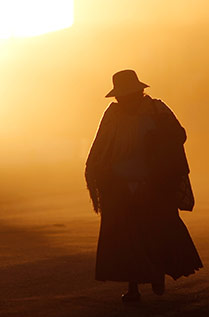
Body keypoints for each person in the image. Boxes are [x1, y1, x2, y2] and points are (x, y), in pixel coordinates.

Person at [85, 69, 202, 302]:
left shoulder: (158, 110)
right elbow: (100, 148)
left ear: (139, 92)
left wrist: (158, 140)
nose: (124, 100)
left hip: (154, 182)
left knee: (155, 232)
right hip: (119, 183)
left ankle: (157, 274)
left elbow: (179, 135)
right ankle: (134, 287)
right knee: (126, 238)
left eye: (129, 95)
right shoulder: (112, 116)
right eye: (121, 96)